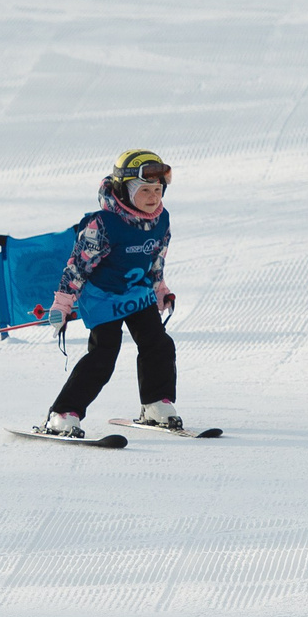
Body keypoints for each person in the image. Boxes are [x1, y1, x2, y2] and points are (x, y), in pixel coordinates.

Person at [35, 150, 186, 435]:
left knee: (159, 344)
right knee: (104, 355)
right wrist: (63, 304)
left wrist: (160, 289)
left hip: (137, 293)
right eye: (145, 190)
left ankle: (155, 403)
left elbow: (156, 259)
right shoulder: (103, 225)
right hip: (103, 297)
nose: (153, 196)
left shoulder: (161, 219)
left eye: (158, 189)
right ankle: (63, 413)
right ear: (125, 190)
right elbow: (77, 267)